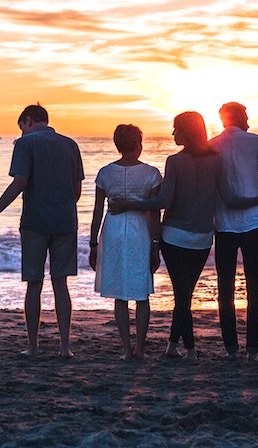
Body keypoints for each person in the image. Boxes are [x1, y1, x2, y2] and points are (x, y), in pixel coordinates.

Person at [108, 111, 221, 361]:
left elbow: (162, 200)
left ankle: (190, 350)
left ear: (187, 132)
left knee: (183, 295)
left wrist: (129, 204)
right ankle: (172, 345)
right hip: (203, 237)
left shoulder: (175, 161)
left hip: (176, 237)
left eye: (176, 129)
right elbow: (226, 195)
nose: (173, 134)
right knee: (185, 293)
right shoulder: (216, 160)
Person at [0, 105, 85, 359]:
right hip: (65, 221)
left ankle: (33, 346)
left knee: (34, 284)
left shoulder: (25, 144)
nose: (22, 132)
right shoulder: (70, 144)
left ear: (28, 121)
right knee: (61, 284)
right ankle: (65, 346)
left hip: (35, 221)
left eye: (22, 127)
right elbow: (77, 192)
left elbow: (20, 182)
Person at [88, 124, 162, 360]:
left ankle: (126, 350)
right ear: (138, 145)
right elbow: (155, 212)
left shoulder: (105, 173)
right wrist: (155, 244)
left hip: (113, 231)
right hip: (140, 230)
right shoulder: (151, 173)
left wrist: (92, 244)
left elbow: (97, 212)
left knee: (120, 294)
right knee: (141, 293)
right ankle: (140, 348)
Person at [210, 102, 258, 360]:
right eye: (246, 114)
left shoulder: (212, 144)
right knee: (255, 287)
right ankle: (252, 349)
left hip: (224, 223)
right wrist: (253, 186)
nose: (249, 119)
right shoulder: (257, 141)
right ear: (239, 116)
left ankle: (230, 348)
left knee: (225, 286)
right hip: (254, 222)